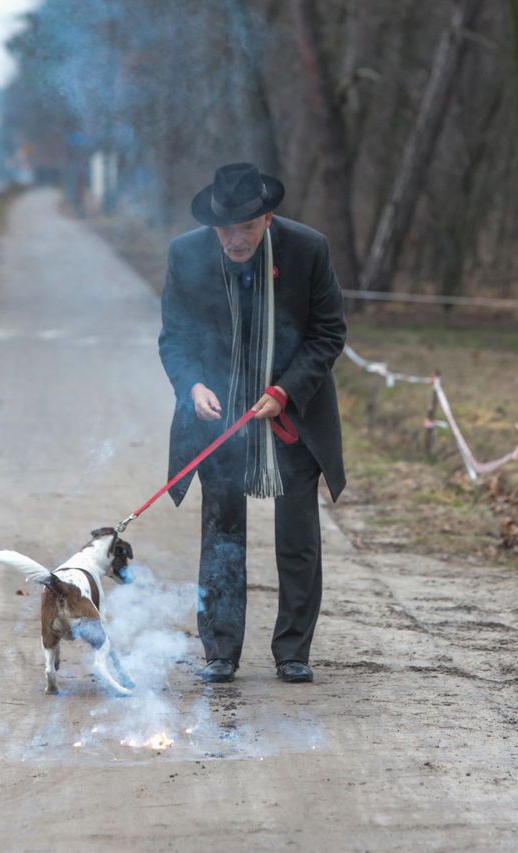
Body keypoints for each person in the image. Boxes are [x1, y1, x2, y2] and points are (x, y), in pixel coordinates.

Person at [158, 162, 347, 684]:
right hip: (219, 413)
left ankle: (293, 651)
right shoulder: (186, 254)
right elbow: (175, 338)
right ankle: (220, 650)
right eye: (226, 229)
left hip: (292, 408)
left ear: (267, 219)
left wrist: (285, 391)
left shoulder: (307, 249)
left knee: (298, 536)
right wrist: (193, 386)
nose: (235, 239)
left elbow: (329, 333)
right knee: (222, 532)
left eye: (246, 227)